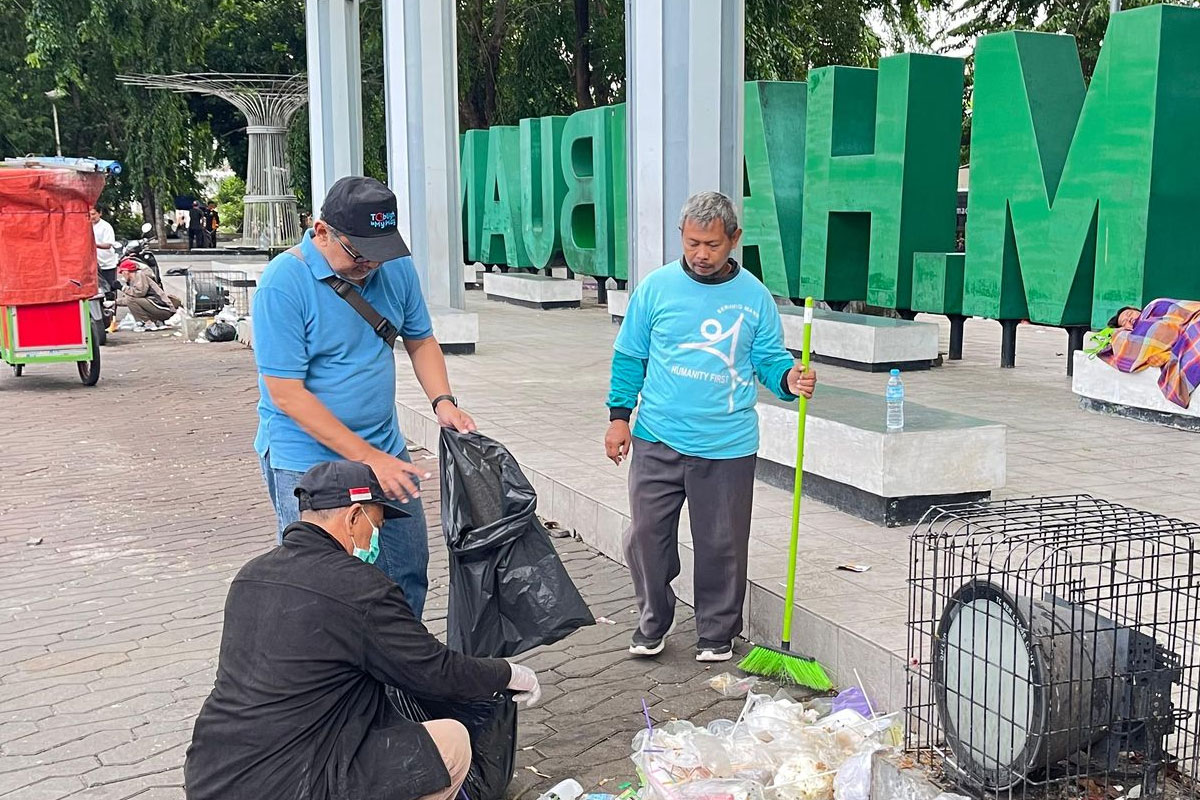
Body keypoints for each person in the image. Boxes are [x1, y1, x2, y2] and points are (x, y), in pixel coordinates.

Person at [183, 460, 541, 800]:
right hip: (295, 783)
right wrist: (507, 673)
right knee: (451, 742)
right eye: (377, 525)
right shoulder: (359, 587)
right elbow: (435, 672)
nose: (377, 537)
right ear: (355, 516)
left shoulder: (251, 576)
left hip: (212, 775)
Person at [605, 191, 817, 663]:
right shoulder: (656, 289)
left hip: (727, 444)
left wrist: (788, 379)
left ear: (734, 240)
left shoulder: (754, 297)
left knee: (722, 543)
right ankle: (652, 621)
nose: (702, 254)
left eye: (714, 245)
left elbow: (768, 360)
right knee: (646, 536)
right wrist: (619, 419)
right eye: (693, 243)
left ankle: (717, 631)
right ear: (681, 235)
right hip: (657, 436)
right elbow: (630, 357)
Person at [252, 175, 476, 620]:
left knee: (404, 571)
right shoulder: (283, 283)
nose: (371, 266)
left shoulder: (393, 267)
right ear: (321, 232)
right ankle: (336, 681)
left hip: (384, 451)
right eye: (359, 254)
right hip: (308, 462)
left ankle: (398, 673)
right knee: (320, 586)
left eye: (380, 254)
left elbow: (421, 340)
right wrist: (368, 459)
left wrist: (443, 402)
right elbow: (286, 393)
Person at [117, 259, 177, 331]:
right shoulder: (133, 280)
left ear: (126, 271)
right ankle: (155, 321)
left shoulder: (139, 275)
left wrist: (122, 288)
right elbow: (130, 300)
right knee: (130, 299)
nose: (122, 275)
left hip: (164, 309)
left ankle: (148, 323)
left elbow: (140, 293)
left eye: (122, 272)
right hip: (158, 308)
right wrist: (114, 303)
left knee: (130, 299)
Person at [90, 206, 118, 290]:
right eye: (89, 215)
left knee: (110, 288)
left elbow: (108, 244)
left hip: (107, 263)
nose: (92, 217)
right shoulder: (87, 226)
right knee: (98, 289)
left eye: (93, 214)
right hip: (94, 264)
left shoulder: (106, 227)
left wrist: (93, 245)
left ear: (100, 213)